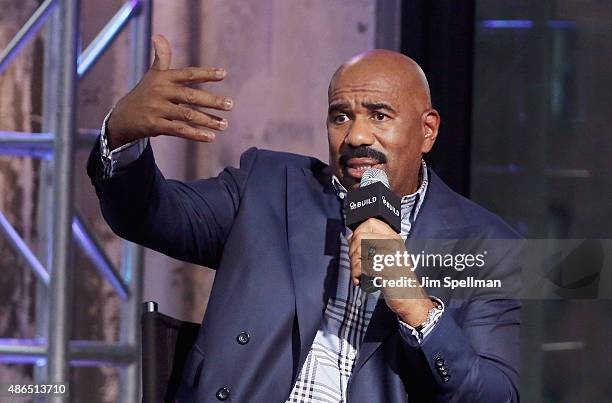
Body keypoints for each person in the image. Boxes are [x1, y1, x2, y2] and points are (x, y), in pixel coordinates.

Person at [87, 34, 520, 402]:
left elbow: (494, 393)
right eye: (341, 116)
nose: (356, 136)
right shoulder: (268, 187)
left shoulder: (483, 245)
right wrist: (121, 136)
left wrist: (416, 308)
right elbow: (149, 215)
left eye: (379, 115)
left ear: (427, 130)